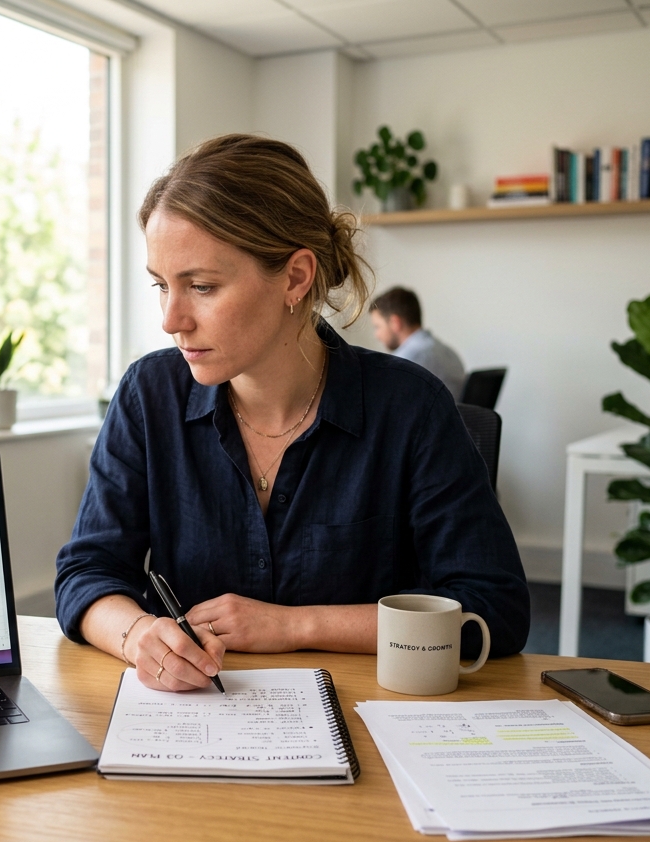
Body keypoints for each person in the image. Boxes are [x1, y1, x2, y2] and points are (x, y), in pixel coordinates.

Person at [54, 134, 528, 692]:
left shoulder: (411, 407)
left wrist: (294, 624)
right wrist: (137, 634)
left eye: (201, 286)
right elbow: (86, 575)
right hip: (200, 725)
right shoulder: (147, 394)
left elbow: (493, 609)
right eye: (162, 286)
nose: (171, 318)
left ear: (296, 278)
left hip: (373, 723)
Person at [368, 287, 466, 399]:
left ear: (395, 323)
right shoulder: (448, 352)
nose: (377, 336)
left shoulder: (404, 362)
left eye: (377, 327)